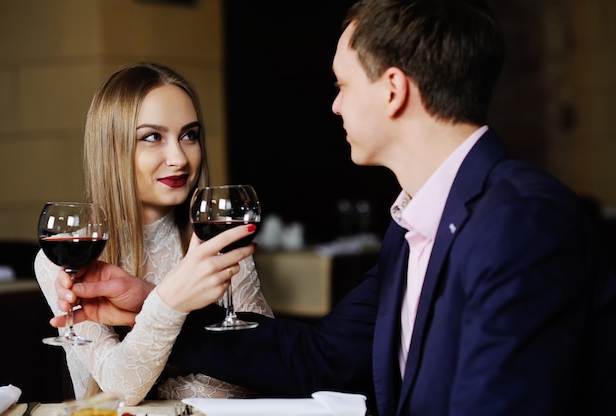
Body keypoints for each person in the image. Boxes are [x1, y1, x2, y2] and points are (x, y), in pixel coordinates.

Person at [52, 1, 616, 415]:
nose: (335, 104)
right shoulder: (411, 227)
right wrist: (153, 304)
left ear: (392, 90)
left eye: (343, 84)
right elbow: (319, 358)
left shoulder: (522, 221)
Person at [35, 62, 273, 406]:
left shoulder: (218, 237)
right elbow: (120, 391)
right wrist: (168, 302)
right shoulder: (62, 258)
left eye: (189, 135)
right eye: (152, 137)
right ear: (111, 148)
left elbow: (267, 365)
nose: (178, 158)